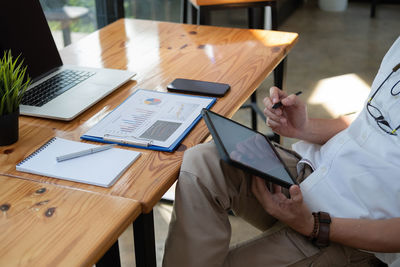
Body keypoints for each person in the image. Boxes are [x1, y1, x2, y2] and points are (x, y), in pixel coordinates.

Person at [162, 36, 400, 267]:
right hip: (311, 173)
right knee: (203, 163)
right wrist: (304, 128)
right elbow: (373, 122)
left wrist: (313, 225)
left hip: (351, 231)